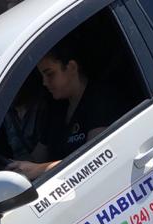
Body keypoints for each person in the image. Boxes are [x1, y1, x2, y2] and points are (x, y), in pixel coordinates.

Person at [7, 38, 125, 181]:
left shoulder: (101, 100)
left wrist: (39, 170)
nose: (44, 82)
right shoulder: (56, 108)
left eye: (50, 74)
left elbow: (95, 158)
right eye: (42, 76)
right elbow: (37, 157)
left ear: (71, 68)